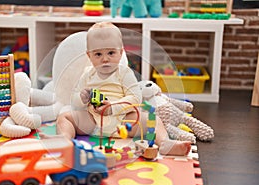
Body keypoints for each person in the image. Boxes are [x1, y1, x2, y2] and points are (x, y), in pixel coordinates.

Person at [56, 21, 191, 156]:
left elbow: (135, 98)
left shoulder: (124, 73)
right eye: (98, 54)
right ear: (89, 56)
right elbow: (73, 99)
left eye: (111, 53)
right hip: (94, 121)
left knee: (154, 120)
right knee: (65, 117)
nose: (105, 59)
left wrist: (112, 107)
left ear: (121, 53)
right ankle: (65, 141)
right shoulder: (87, 75)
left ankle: (164, 143)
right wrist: (81, 98)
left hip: (123, 121)